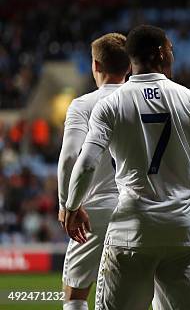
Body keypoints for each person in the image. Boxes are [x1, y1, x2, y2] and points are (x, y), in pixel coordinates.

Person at [64, 25, 190, 310]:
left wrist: (71, 206)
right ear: (160, 53)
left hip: (131, 231)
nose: (173, 54)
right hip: (179, 233)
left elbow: (86, 163)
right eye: (170, 48)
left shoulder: (110, 104)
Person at [58, 33, 130, 310]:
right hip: (140, 209)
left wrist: (68, 205)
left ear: (96, 66)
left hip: (94, 212)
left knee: (75, 297)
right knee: (128, 297)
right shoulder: (144, 103)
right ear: (128, 67)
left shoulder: (83, 105)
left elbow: (69, 159)